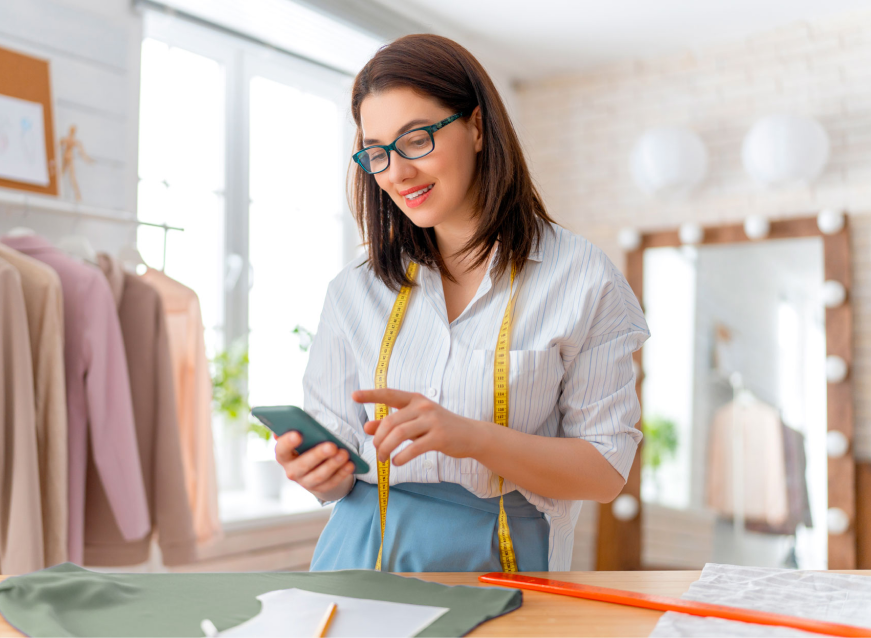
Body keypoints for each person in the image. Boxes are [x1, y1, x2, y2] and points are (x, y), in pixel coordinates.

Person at [274, 34, 649, 573]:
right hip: (358, 551)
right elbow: (338, 464)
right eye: (376, 153)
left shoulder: (582, 278)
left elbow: (605, 471)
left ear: (476, 127)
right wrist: (317, 469)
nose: (396, 173)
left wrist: (471, 437)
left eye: (416, 139)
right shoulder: (355, 289)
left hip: (502, 556)